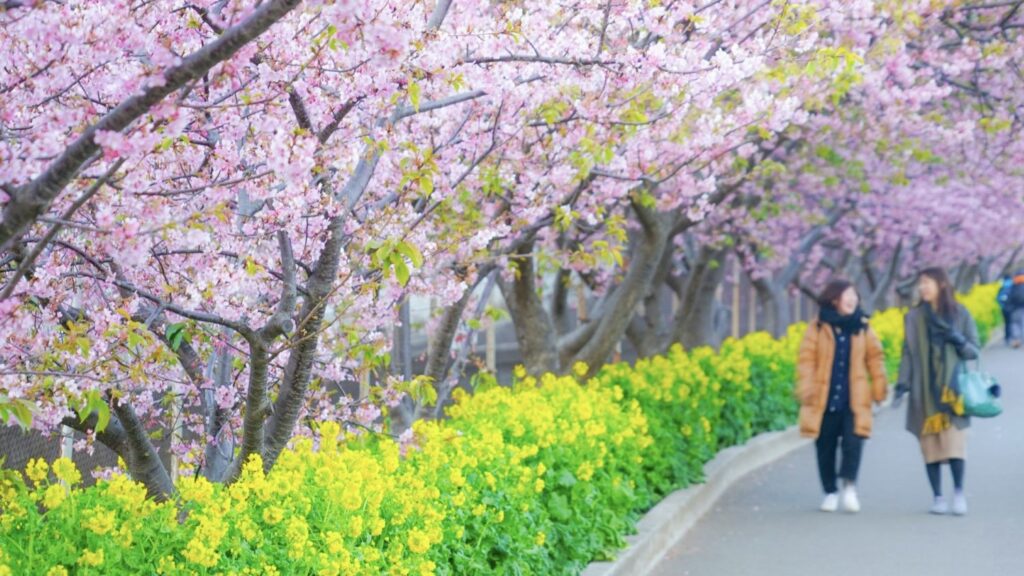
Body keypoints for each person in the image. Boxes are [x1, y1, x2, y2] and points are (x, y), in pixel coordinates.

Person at [893, 267, 980, 516]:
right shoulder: (913, 317)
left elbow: (974, 350)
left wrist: (957, 339)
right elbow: (908, 354)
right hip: (924, 392)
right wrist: (902, 386)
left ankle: (959, 493)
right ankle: (938, 497)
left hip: (953, 394)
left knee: (954, 445)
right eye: (920, 283)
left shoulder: (960, 314)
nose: (923, 288)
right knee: (929, 448)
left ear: (941, 284)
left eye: (927, 282)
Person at [796, 280, 888, 513]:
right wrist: (806, 388)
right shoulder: (818, 327)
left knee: (853, 442)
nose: (852, 299)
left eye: (854, 295)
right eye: (847, 295)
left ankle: (849, 486)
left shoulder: (862, 327)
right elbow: (806, 359)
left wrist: (879, 387)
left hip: (853, 398)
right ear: (834, 299)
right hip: (824, 397)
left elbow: (875, 358)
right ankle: (830, 491)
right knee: (824, 447)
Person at [997, 273, 1013, 343]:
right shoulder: (1013, 285)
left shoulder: (1002, 287)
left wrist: (1001, 305)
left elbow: (998, 298)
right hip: (1013, 308)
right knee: (1013, 322)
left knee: (1007, 323)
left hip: (1004, 308)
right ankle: (1013, 336)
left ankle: (1007, 337)